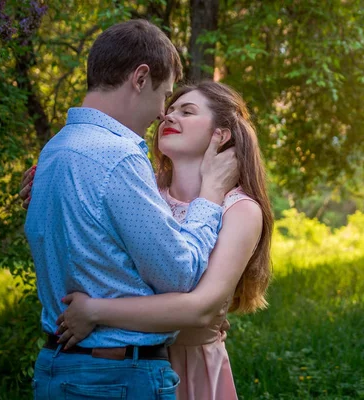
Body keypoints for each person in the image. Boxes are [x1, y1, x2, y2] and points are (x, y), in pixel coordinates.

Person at [24, 20, 239, 400]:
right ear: (140, 78)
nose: (162, 114)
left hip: (58, 367)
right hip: (115, 378)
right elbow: (180, 273)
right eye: (165, 96)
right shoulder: (119, 156)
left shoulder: (55, 150)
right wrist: (212, 196)